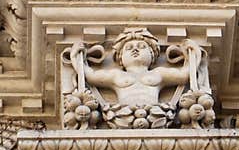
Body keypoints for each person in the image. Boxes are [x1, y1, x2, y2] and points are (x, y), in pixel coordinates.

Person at [68, 28, 203, 106]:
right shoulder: (117, 75)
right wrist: (75, 57)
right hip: (123, 114)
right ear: (120, 58)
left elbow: (184, 75)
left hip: (155, 113)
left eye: (142, 47)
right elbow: (90, 76)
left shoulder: (158, 73)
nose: (135, 50)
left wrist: (194, 53)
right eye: (129, 48)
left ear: (152, 55)